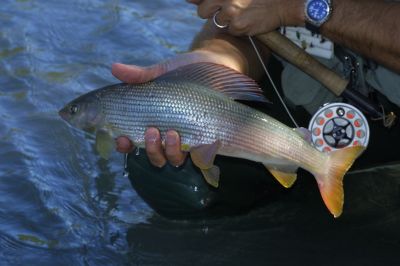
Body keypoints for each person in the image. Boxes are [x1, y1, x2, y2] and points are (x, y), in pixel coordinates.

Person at [112, 0, 400, 218]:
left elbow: (275, 6)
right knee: (167, 169)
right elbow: (242, 20)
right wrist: (213, 67)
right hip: (304, 91)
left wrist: (300, 6)